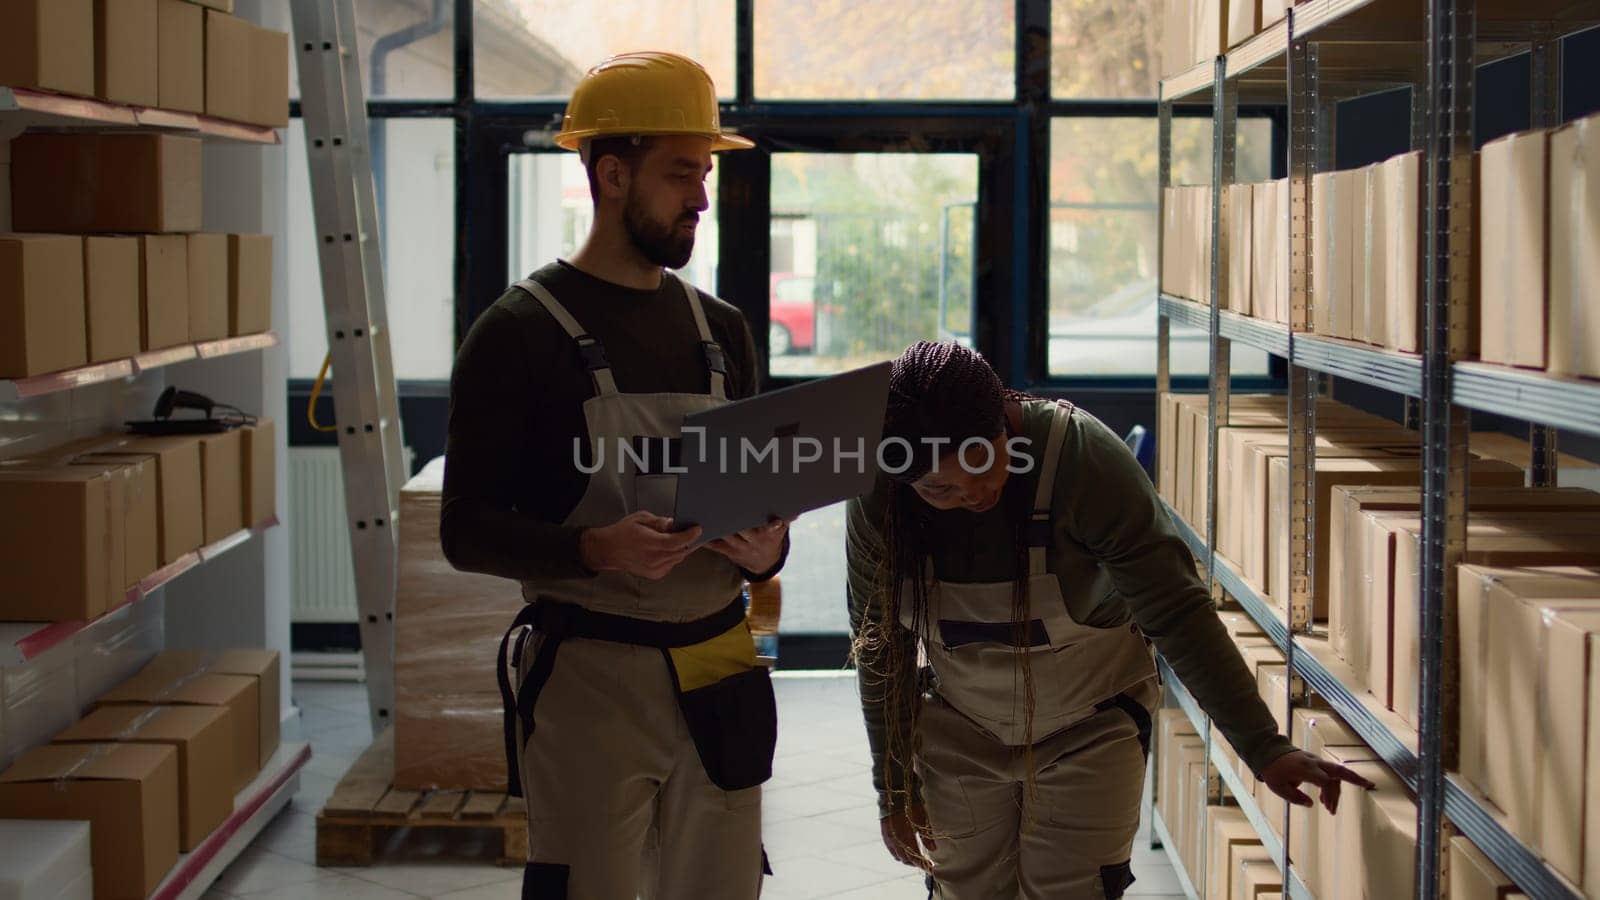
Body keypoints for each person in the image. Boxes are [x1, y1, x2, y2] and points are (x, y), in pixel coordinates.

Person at [441, 52, 790, 900]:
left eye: (704, 174)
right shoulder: (519, 333)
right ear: (609, 173)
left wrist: (765, 548)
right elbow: (465, 529)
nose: (702, 199)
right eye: (680, 175)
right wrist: (594, 549)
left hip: (718, 661)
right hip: (593, 673)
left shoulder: (724, 332)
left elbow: (766, 513)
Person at [846, 341, 1372, 899]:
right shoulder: (881, 494)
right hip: (959, 725)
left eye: (980, 463)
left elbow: (1176, 610)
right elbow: (881, 648)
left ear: (1003, 416)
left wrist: (1263, 746)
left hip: (1091, 727)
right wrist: (894, 789)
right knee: (963, 890)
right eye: (939, 489)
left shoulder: (1078, 459)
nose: (972, 493)